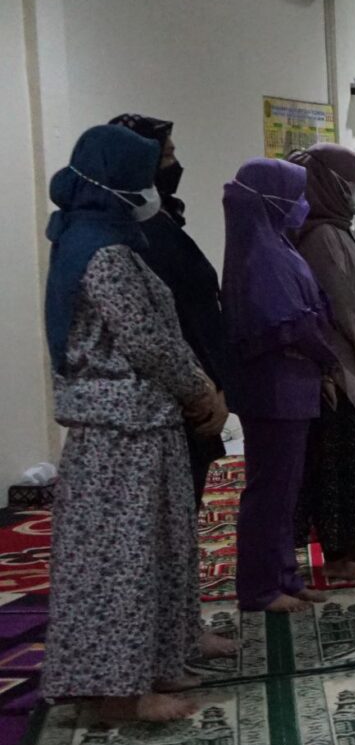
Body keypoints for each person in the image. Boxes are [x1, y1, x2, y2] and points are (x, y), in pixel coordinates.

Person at [43, 125, 228, 722]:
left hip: (139, 422)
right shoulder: (103, 252)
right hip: (123, 428)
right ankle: (119, 690)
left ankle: (152, 663)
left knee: (155, 550)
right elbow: (147, 340)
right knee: (122, 560)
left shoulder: (96, 238)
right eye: (143, 172)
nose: (152, 183)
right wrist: (200, 388)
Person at [221, 158, 335, 614]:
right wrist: (327, 354)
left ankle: (284, 575)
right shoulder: (260, 254)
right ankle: (259, 587)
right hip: (274, 387)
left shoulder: (278, 244)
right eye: (295, 195)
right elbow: (288, 322)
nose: (301, 204)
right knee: (269, 489)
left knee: (287, 488)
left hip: (294, 383)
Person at [105, 115, 234, 508]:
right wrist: (202, 390)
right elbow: (161, 327)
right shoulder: (127, 234)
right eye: (165, 156)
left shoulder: (161, 219)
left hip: (196, 389)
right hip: (171, 401)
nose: (175, 165)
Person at [287, 144, 355, 581]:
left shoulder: (342, 230)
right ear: (330, 185)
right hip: (342, 366)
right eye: (353, 180)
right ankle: (337, 555)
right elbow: (344, 309)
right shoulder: (321, 238)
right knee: (338, 467)